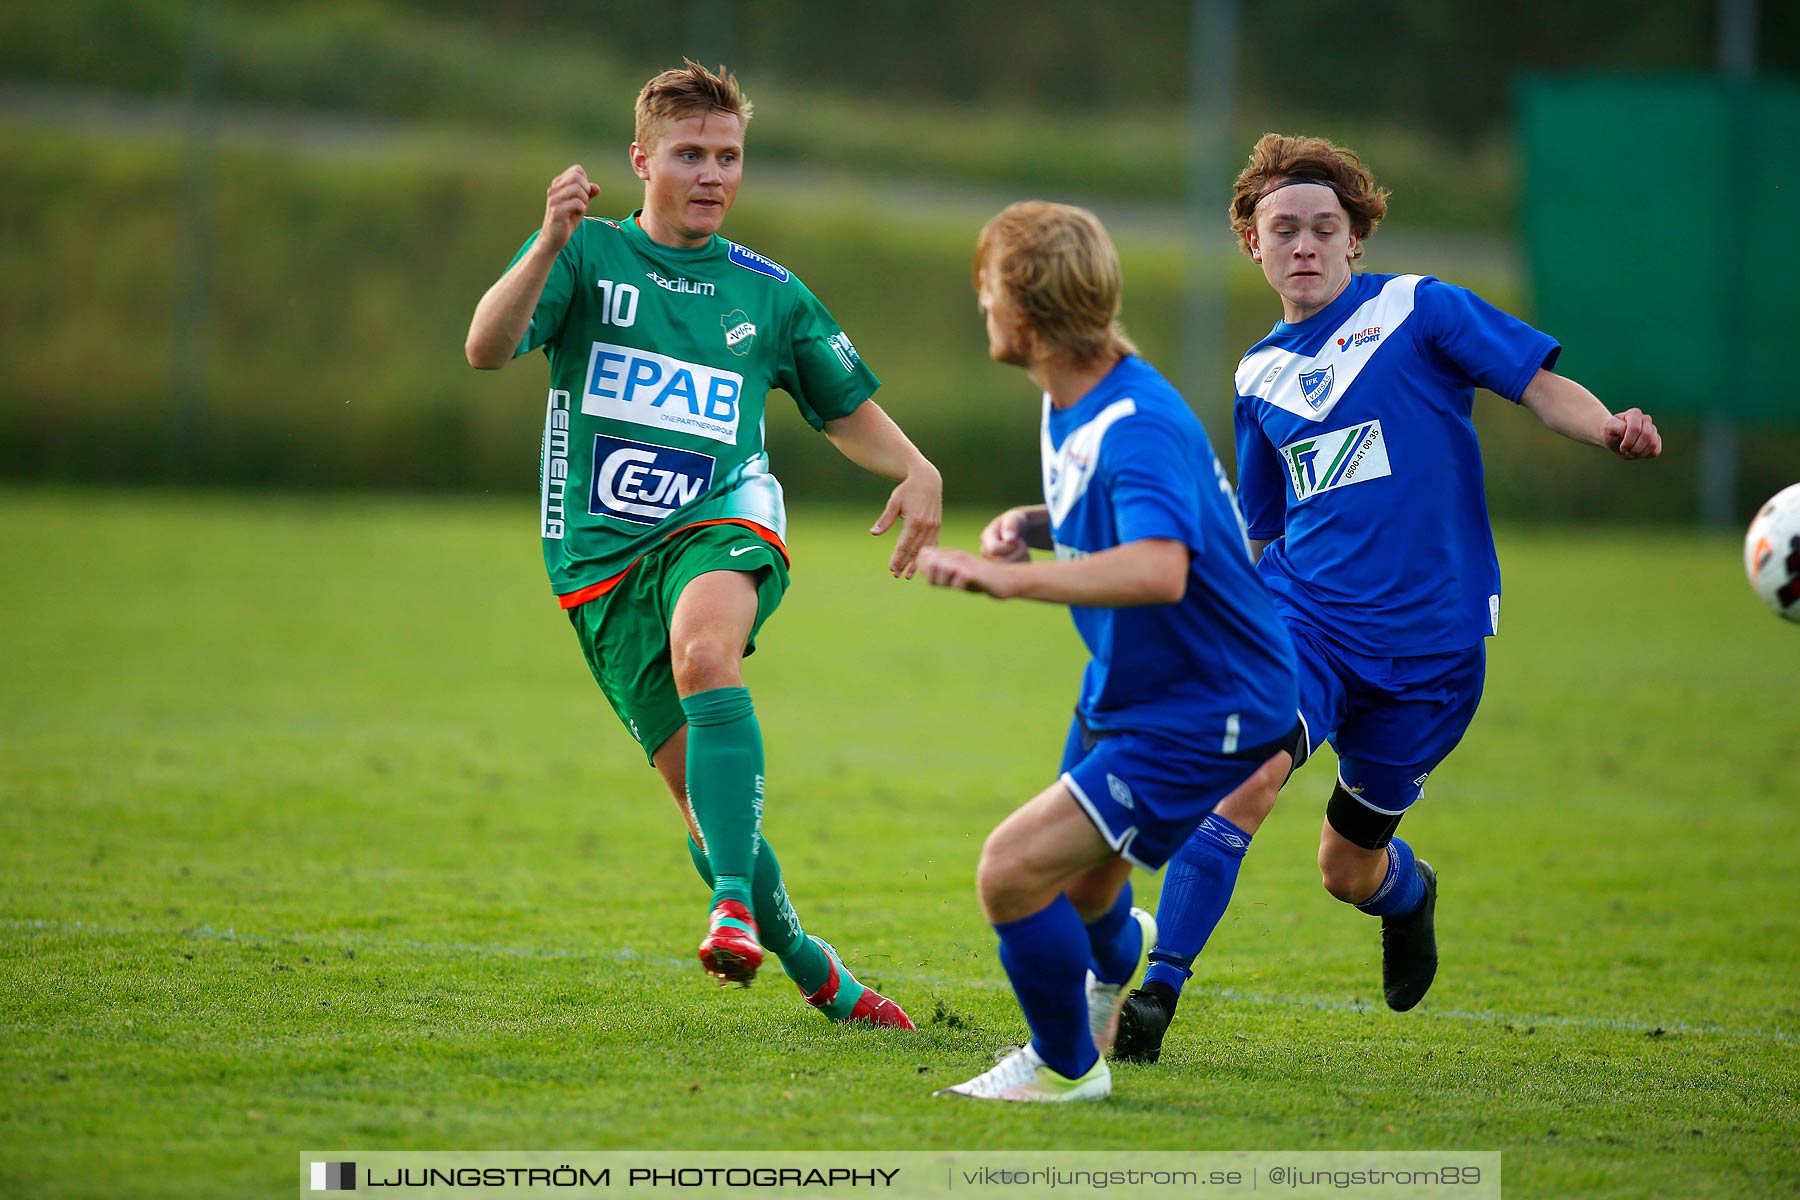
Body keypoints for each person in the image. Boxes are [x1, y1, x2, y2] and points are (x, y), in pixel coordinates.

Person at [1114, 133, 1663, 1063]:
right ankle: (1157, 994)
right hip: (1309, 624)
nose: (1304, 247)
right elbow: (1263, 527)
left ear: (1355, 238)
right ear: (1252, 243)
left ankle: (1407, 895)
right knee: (1247, 772)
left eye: (1324, 229)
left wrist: (1606, 425)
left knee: (1346, 868)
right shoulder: (1257, 378)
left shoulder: (1419, 309)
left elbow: (1536, 386)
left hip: (1434, 657)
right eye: (1283, 230)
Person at [463, 61, 940, 1029]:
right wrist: (548, 240)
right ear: (642, 160)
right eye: (690, 155)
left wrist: (916, 467)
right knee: (706, 805)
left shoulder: (768, 293)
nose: (713, 174)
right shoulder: (586, 254)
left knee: (705, 650)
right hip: (597, 568)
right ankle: (811, 964)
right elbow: (484, 345)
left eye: (729, 156)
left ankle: (727, 906)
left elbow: (841, 408)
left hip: (723, 518)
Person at [918, 201, 1301, 1101]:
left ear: (1025, 308)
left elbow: (1162, 567)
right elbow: (1150, 522)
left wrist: (1012, 580)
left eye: (988, 292)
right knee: (1088, 895)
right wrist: (1039, 525)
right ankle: (1101, 977)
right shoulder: (1079, 396)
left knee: (1011, 873)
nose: (984, 309)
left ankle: (1063, 1068)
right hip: (1133, 686)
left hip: (1208, 705)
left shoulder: (1134, 424)